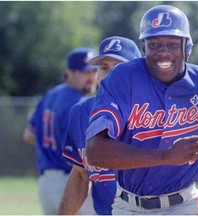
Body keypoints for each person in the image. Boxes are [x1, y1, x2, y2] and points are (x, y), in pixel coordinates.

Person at [85, 5, 198, 215]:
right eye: (154, 44)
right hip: (127, 206)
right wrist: (166, 156)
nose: (163, 52)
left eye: (172, 44)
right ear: (143, 49)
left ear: (187, 48)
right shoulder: (124, 78)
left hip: (183, 206)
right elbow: (95, 151)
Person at [58, 36, 142, 215]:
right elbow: (80, 175)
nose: (110, 74)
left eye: (119, 67)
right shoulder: (81, 112)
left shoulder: (152, 112)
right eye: (104, 67)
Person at [22, 47, 98, 215]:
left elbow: (29, 135)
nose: (91, 77)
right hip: (69, 181)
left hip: (46, 185)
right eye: (85, 72)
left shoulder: (50, 95)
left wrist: (51, 146)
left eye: (94, 71)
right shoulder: (78, 104)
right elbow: (82, 155)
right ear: (69, 73)